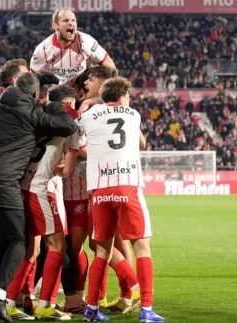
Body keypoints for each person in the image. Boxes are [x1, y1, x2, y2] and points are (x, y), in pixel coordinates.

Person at [0, 73, 77, 322]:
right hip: (1, 184)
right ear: (34, 94)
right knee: (17, 240)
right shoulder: (30, 111)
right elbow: (68, 125)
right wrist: (51, 102)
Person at [78, 77, 166, 323]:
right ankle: (147, 310)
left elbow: (77, 137)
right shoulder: (133, 114)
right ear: (123, 96)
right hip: (127, 186)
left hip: (100, 190)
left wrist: (90, 105)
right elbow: (140, 142)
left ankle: (92, 309)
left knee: (102, 252)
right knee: (142, 247)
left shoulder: (88, 116)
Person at [12, 85, 81, 321]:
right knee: (57, 246)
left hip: (21, 187)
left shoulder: (38, 119)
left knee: (31, 249)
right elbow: (68, 170)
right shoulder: (72, 126)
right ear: (69, 105)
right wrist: (59, 165)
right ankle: (45, 305)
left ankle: (10, 300)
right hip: (40, 190)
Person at [30, 8, 116, 85]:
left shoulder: (86, 41)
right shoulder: (42, 50)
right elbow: (32, 79)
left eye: (73, 20)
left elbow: (109, 65)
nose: (71, 23)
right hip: (54, 96)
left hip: (81, 92)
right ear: (55, 25)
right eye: (66, 20)